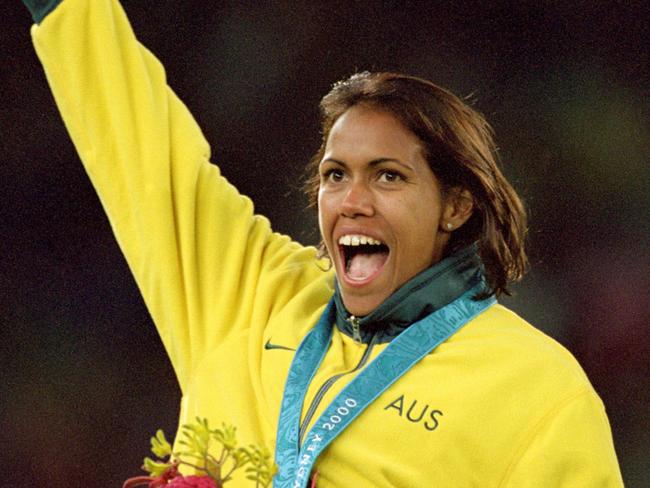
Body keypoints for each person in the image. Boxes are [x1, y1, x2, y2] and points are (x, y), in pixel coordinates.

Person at [21, 0, 623, 486]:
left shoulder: (538, 390)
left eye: (389, 175)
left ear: (456, 205)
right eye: (337, 175)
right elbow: (142, 153)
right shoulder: (250, 296)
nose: (352, 200)